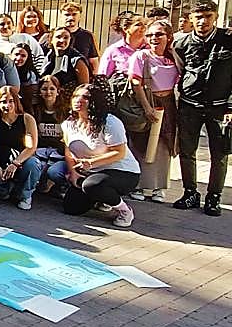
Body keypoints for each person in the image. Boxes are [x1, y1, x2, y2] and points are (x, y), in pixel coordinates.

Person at [48, 81, 140, 226]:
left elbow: (119, 153)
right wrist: (73, 172)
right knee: (71, 208)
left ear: (94, 101)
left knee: (92, 185)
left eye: (85, 97)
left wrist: (91, 163)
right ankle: (101, 198)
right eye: (75, 96)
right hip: (88, 171)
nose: (78, 100)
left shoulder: (110, 122)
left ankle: (124, 210)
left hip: (121, 171)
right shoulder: (68, 123)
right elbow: (68, 149)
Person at [172, 0, 231, 216]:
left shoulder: (228, 40)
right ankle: (190, 193)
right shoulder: (181, 44)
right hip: (190, 105)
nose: (203, 21)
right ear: (190, 19)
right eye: (198, 17)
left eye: (208, 16)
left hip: (220, 107)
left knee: (220, 154)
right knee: (187, 152)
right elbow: (181, 70)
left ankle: (214, 197)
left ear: (215, 17)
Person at [127, 20, 178, 203]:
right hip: (148, 101)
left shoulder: (174, 57)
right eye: (150, 35)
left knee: (164, 146)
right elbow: (135, 82)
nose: (153, 38)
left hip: (169, 103)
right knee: (142, 144)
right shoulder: (141, 56)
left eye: (158, 34)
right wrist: (147, 106)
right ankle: (139, 185)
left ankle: (159, 188)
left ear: (168, 36)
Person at [0, 86, 42, 210]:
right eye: (3, 102)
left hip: (20, 159)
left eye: (11, 101)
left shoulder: (27, 119)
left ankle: (25, 195)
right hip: (0, 159)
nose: (7, 105)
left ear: (16, 102)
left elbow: (31, 147)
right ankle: (6, 191)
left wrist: (15, 163)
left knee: (33, 164)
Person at [30, 75, 68, 190]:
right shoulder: (35, 110)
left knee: (54, 172)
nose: (48, 92)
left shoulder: (65, 112)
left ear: (58, 91)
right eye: (44, 89)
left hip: (59, 152)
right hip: (40, 150)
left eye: (52, 89)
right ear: (40, 92)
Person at [41, 26, 91, 94]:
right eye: (58, 37)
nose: (62, 40)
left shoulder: (77, 61)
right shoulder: (47, 57)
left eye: (66, 38)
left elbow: (84, 87)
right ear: (51, 39)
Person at [98, 12, 146, 77]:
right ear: (126, 29)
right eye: (138, 24)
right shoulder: (113, 50)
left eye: (145, 24)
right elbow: (103, 76)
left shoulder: (151, 48)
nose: (144, 27)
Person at [57, 3, 99, 70]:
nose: (70, 18)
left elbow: (94, 62)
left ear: (80, 16)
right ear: (61, 16)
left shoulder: (87, 36)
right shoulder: (53, 35)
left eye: (74, 14)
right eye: (67, 15)